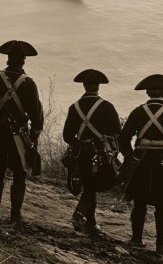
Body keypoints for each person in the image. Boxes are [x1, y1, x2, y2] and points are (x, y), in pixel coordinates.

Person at [119, 74, 163, 254]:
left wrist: (129, 157)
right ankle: (161, 244)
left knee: (139, 202)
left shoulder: (137, 112)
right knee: (162, 205)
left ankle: (136, 239)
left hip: (140, 161)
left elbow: (123, 138)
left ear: (148, 93)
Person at [0, 40, 44, 222]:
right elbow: (36, 115)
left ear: (8, 59)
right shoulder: (29, 83)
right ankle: (15, 215)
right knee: (19, 175)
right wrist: (33, 137)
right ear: (23, 61)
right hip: (19, 136)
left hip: (0, 133)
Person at [62, 69, 121, 235]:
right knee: (91, 187)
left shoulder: (74, 107)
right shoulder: (107, 106)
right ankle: (78, 215)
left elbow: (67, 136)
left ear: (84, 86)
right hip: (100, 153)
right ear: (98, 87)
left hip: (81, 154)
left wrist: (79, 145)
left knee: (89, 186)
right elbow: (117, 132)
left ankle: (91, 223)